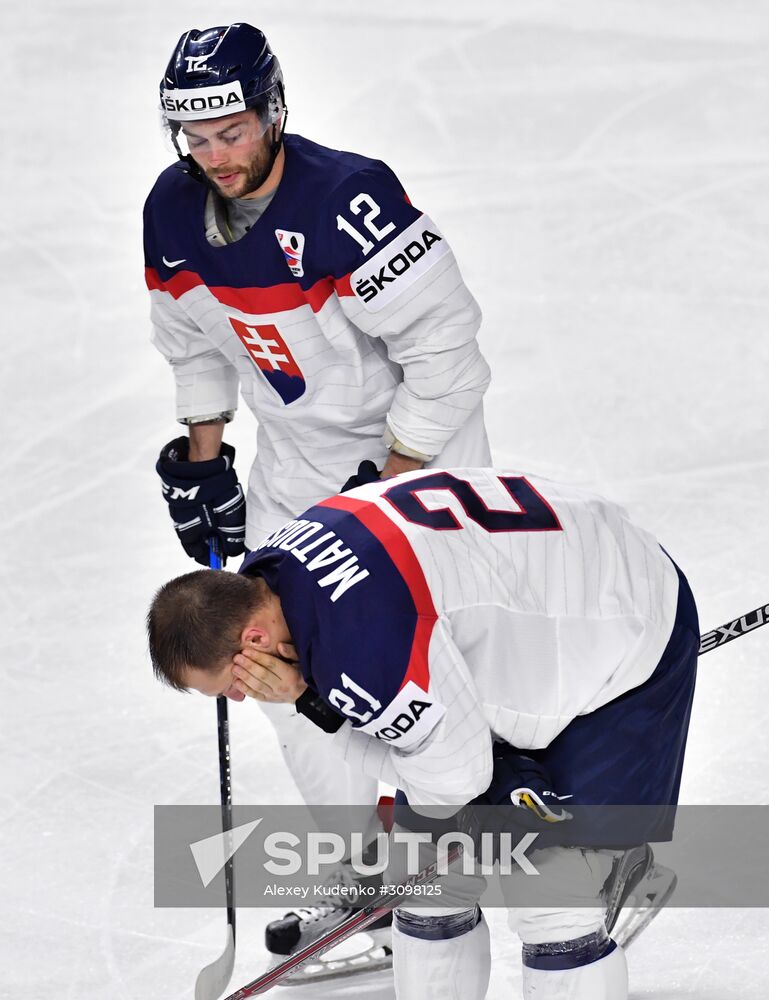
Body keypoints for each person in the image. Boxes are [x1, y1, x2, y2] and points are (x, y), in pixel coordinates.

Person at [144, 21, 492, 966]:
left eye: (231, 132)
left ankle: (442, 856)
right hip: (296, 462)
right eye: (195, 137)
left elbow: (448, 358)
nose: (215, 156)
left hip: (415, 460)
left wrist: (389, 485)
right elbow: (192, 344)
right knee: (267, 671)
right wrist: (205, 458)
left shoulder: (350, 199)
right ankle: (366, 877)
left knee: (406, 663)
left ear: (272, 112)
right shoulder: (172, 211)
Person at [148, 467, 699, 1000]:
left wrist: (312, 705)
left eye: (229, 684)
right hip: (542, 591)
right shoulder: (270, 574)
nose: (239, 697)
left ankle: (606, 863)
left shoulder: (363, 645)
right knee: (422, 881)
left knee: (552, 893)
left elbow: (455, 785)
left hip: (625, 627)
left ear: (254, 639)